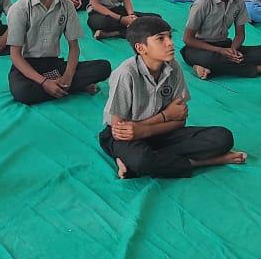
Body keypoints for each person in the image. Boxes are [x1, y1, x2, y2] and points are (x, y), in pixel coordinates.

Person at [99, 17, 244, 179]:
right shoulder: (126, 74)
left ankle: (130, 161)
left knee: (223, 137)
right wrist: (165, 116)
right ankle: (201, 162)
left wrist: (145, 129)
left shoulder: (173, 67)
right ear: (141, 48)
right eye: (160, 39)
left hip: (160, 133)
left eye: (170, 37)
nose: (170, 43)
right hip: (124, 137)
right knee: (141, 160)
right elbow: (119, 131)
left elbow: (180, 120)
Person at [7, 0, 112, 104]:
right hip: (27, 65)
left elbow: (74, 47)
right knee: (22, 93)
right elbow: (15, 55)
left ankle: (64, 85)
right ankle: (71, 86)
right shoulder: (19, 9)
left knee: (104, 67)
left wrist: (68, 76)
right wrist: (44, 82)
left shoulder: (66, 4)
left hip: (54, 64)